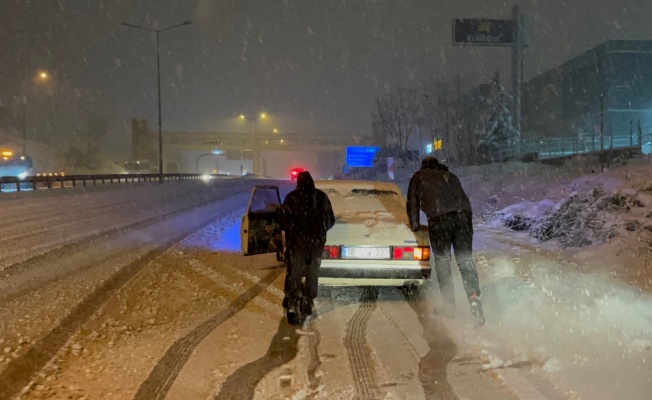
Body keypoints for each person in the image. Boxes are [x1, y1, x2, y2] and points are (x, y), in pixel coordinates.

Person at [406, 156, 485, 327]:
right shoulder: (450, 176)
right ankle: (474, 297)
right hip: (464, 216)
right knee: (464, 259)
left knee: (442, 261)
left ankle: (449, 304)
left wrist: (414, 225)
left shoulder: (418, 177)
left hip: (439, 218)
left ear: (423, 166)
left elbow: (412, 203)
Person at [280, 171, 335, 326]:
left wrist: (294, 230)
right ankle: (308, 301)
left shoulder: (292, 198)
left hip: (296, 244)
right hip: (316, 244)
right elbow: (330, 220)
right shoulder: (321, 197)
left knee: (294, 274)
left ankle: (292, 305)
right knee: (312, 273)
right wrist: (318, 231)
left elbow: (283, 222)